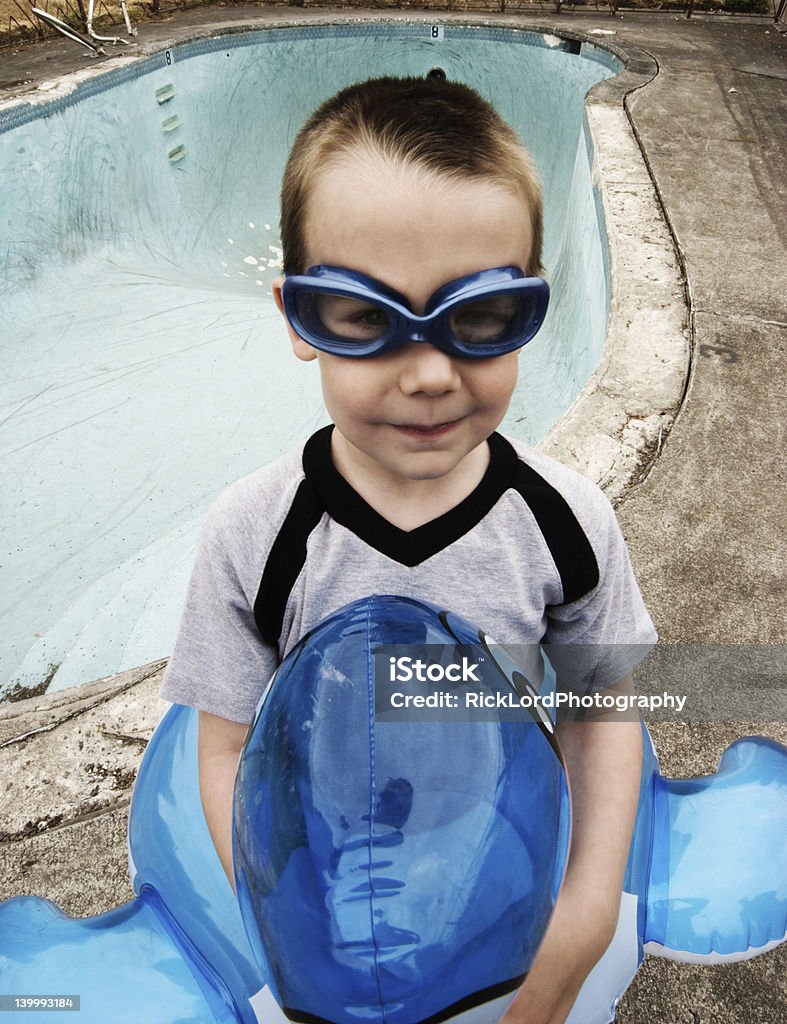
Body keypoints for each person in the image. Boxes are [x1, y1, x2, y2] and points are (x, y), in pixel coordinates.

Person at [160, 76, 657, 1024]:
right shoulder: (254, 535)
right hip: (338, 865)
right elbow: (223, 746)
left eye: (478, 318)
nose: (428, 374)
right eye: (361, 317)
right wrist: (292, 934)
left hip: (497, 847)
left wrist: (585, 914)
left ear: (532, 305)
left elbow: (606, 706)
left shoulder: (564, 523)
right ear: (297, 317)